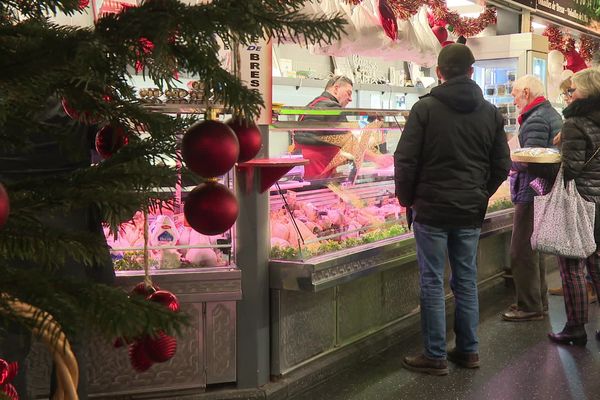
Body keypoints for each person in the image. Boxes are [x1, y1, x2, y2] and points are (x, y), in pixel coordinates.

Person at [394, 44, 510, 375]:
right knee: (467, 279)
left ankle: (434, 355)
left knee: (433, 281)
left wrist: (407, 200)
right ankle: (469, 350)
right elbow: (501, 165)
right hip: (468, 211)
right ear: (472, 72)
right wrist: (479, 194)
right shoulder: (491, 113)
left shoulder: (425, 109)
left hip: (431, 210)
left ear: (439, 73)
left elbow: (404, 159)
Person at [0, 97, 115, 398]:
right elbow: (109, 142)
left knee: (9, 345)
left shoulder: (14, 80)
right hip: (70, 228)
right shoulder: (76, 93)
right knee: (70, 340)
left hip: (10, 225)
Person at [501, 75, 562, 322]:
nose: (514, 100)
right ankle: (539, 302)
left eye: (515, 94)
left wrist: (507, 161)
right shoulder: (546, 114)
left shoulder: (536, 119)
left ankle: (528, 306)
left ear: (526, 92)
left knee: (521, 250)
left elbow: (532, 159)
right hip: (541, 190)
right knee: (532, 248)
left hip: (532, 192)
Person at [547, 68, 600, 346]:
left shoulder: (574, 124)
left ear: (586, 93)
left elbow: (572, 170)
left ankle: (575, 327)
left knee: (572, 267)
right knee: (597, 264)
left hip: (580, 202)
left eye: (573, 90)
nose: (569, 95)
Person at [294, 75, 392, 179]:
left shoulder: (310, 105)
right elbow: (350, 144)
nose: (350, 99)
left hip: (302, 167)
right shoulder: (332, 108)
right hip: (317, 169)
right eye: (348, 93)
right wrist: (377, 158)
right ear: (336, 88)